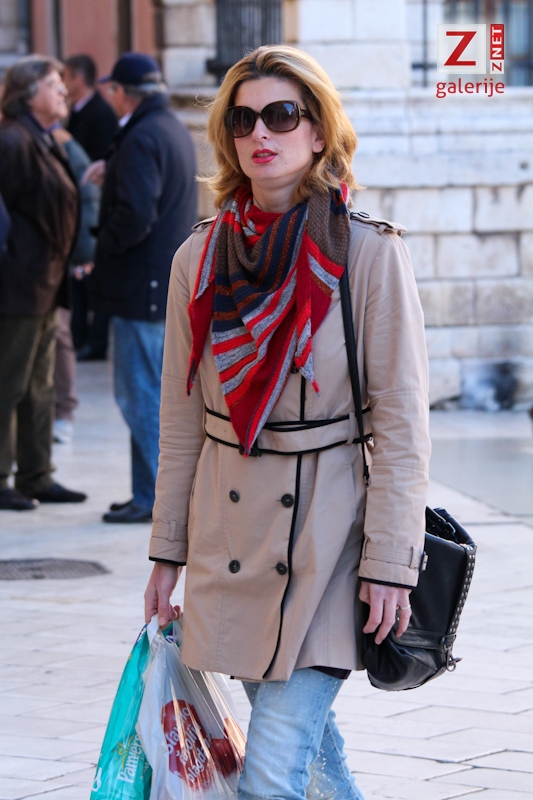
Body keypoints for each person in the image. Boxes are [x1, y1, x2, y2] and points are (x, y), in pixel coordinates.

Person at [143, 45, 431, 800]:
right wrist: (167, 552)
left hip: (329, 543)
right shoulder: (197, 258)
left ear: (318, 130)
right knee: (311, 762)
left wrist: (391, 563)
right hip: (228, 542)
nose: (259, 134)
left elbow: (401, 425)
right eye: (242, 120)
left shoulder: (368, 254)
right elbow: (180, 423)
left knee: (269, 773)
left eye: (280, 115)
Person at [89, 53, 198, 523]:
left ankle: (160, 500)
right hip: (158, 282)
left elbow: (135, 214)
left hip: (142, 284)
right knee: (147, 393)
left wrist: (102, 246)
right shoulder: (168, 127)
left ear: (121, 93)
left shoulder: (142, 136)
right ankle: (143, 494)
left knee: (139, 396)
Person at [0, 55, 87, 510]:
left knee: (39, 386)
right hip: (17, 287)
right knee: (8, 384)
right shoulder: (12, 140)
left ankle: (37, 475)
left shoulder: (42, 137)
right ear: (29, 93)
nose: (63, 91)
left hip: (44, 284)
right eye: (53, 84)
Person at [63, 53, 116, 362]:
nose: (63, 86)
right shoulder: (76, 111)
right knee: (79, 277)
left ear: (78, 78)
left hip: (94, 207)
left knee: (92, 275)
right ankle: (80, 335)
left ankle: (95, 340)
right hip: (78, 206)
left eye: (65, 77)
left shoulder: (100, 114)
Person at [51, 126, 100, 444]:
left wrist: (83, 253)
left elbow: (87, 196)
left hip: (53, 258)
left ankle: (64, 410)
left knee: (59, 333)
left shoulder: (62, 143)